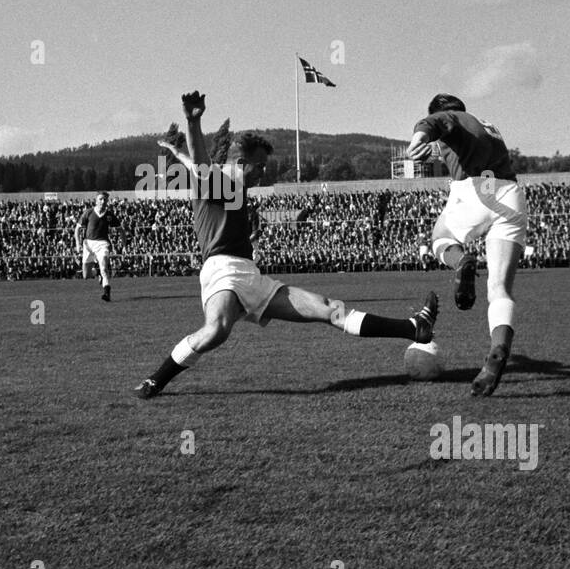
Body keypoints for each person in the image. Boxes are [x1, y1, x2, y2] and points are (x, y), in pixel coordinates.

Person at [136, 91, 438, 399]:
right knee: (215, 331)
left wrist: (177, 152)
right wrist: (193, 122)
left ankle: (414, 328)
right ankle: (156, 380)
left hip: (252, 277)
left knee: (330, 309)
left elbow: (196, 164)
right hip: (223, 271)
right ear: (242, 163)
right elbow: (200, 164)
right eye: (261, 166)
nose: (264, 172)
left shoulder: (228, 184)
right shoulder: (218, 184)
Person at [405, 93, 526, 397]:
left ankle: (461, 261)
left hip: (476, 188)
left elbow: (432, 122)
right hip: (510, 193)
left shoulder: (450, 119)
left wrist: (416, 140)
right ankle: (497, 351)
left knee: (439, 239)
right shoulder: (487, 126)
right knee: (500, 289)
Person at [75, 192, 117, 301]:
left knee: (104, 266)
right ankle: (97, 272)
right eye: (101, 199)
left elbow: (120, 228)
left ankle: (107, 293)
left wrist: (124, 244)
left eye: (105, 200)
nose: (103, 201)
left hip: (103, 243)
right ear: (96, 200)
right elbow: (77, 229)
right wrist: (78, 244)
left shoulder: (109, 215)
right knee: (86, 275)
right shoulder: (88, 213)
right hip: (88, 244)